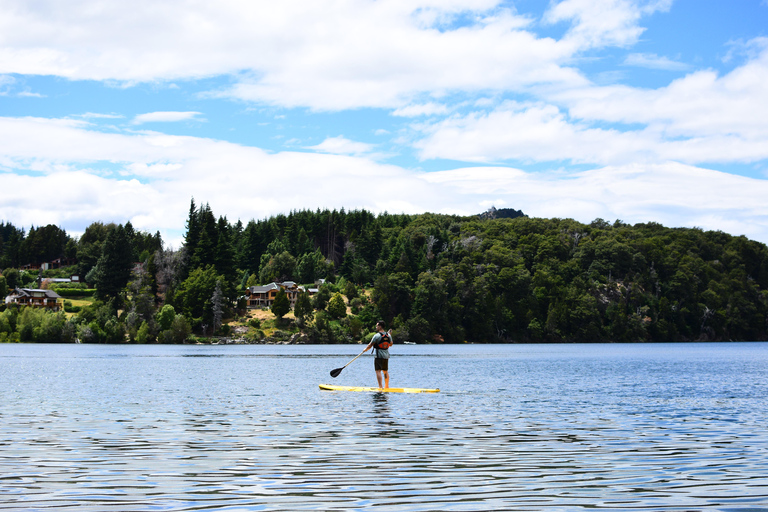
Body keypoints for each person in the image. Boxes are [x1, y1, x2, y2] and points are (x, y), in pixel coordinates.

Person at [364, 320, 393, 389]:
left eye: (377, 325)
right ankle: (386, 386)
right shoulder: (388, 335)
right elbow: (391, 344)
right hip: (386, 356)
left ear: (380, 327)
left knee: (378, 371)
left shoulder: (376, 336)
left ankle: (380, 387)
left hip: (379, 356)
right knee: (385, 371)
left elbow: (370, 345)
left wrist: (365, 350)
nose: (376, 327)